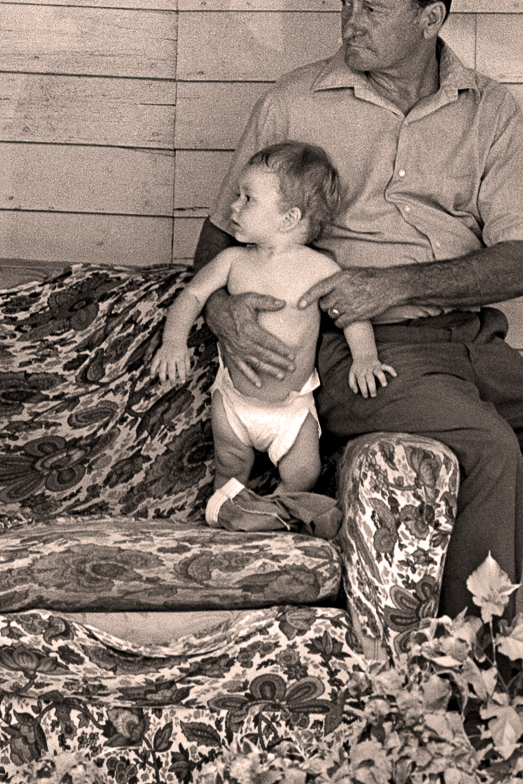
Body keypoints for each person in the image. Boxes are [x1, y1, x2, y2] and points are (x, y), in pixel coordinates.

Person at [192, 0, 523, 667]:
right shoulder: (292, 103)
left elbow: (521, 263)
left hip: (473, 343)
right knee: (487, 451)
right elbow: (216, 247)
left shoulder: (488, 109)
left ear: (430, 19)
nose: (349, 22)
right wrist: (223, 311)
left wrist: (393, 283)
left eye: (371, 9)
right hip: (361, 353)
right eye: (344, 2)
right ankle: (471, 692)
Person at [151, 141, 394, 525]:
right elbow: (193, 294)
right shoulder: (232, 261)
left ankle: (273, 512)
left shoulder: (321, 268)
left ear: (288, 218)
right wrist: (173, 341)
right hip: (235, 403)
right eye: (238, 195)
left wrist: (365, 357)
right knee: (230, 466)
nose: (233, 207)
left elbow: (351, 313)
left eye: (248, 199)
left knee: (304, 472)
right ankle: (225, 517)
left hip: (292, 408)